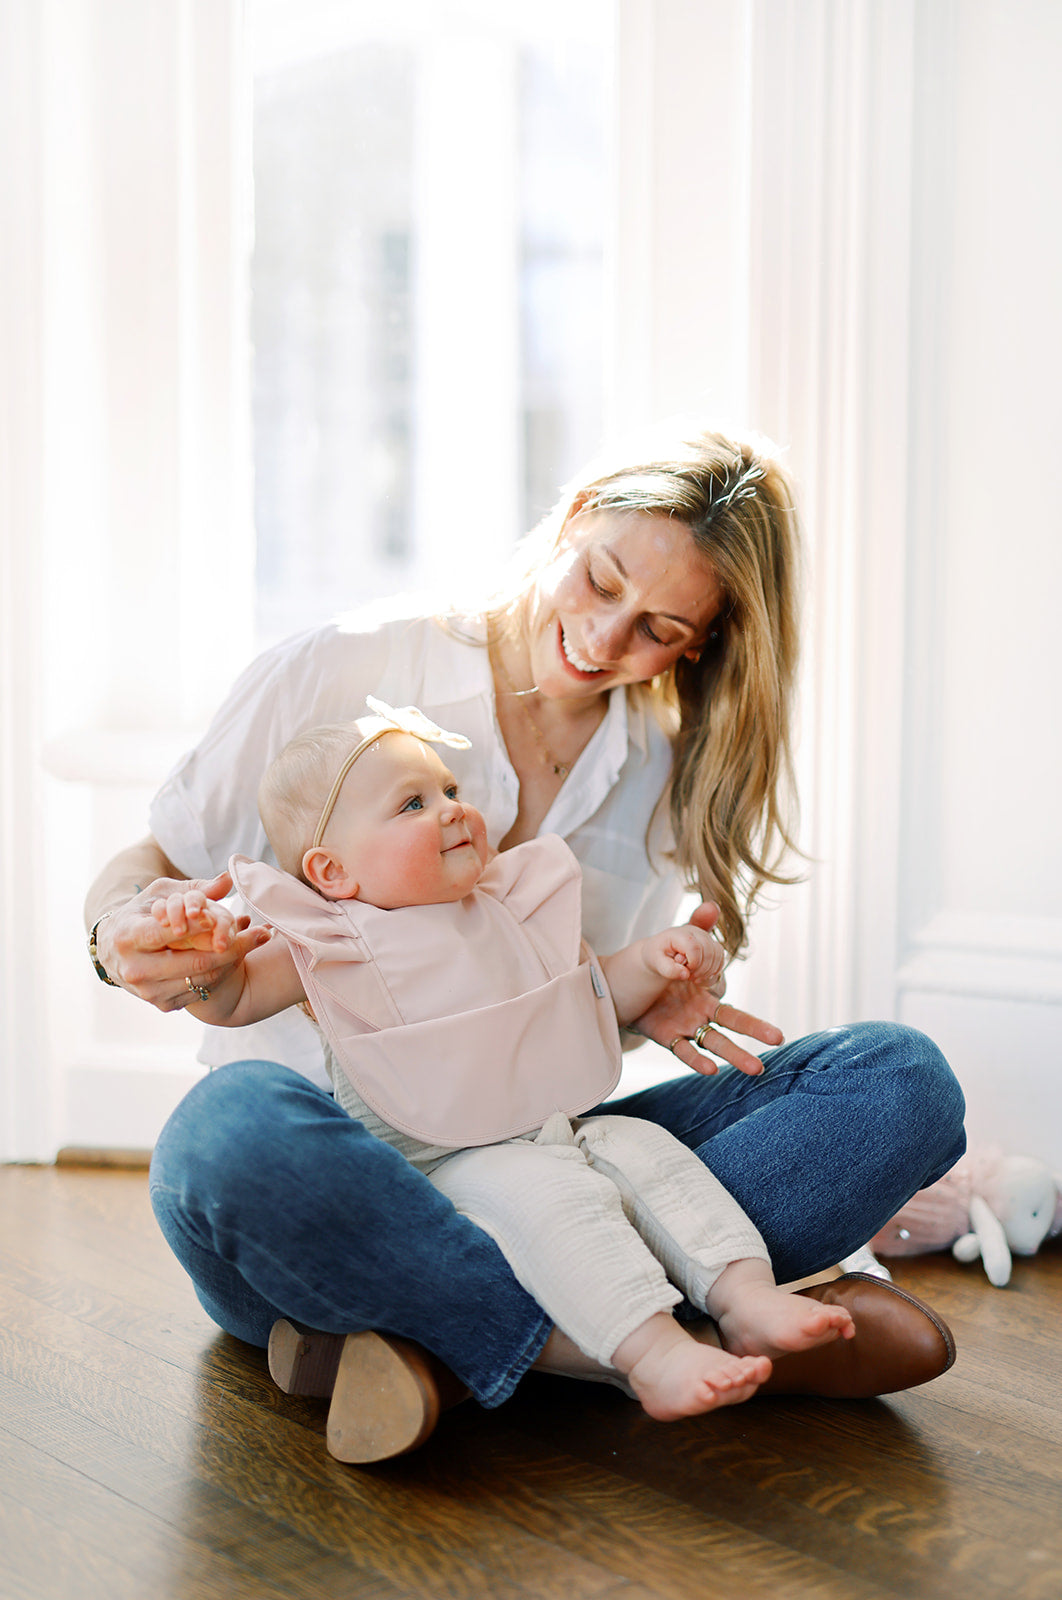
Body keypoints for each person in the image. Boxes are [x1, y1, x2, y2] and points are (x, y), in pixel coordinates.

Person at [84, 420, 966, 1462]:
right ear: (578, 516)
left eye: (658, 629)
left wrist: (649, 993)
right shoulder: (346, 667)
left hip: (545, 1161)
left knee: (900, 1081)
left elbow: (555, 1011)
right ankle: (627, 1342)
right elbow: (158, 864)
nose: (604, 641)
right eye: (600, 582)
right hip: (327, 1180)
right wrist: (126, 933)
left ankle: (443, 1342)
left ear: (698, 644)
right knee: (222, 1138)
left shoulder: (656, 773)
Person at [151, 700, 858, 1435]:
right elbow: (231, 998)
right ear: (332, 872)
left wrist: (657, 960)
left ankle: (745, 1300)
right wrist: (203, 957)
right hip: (441, 1165)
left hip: (558, 1129)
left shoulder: (510, 906)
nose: (453, 810)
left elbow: (588, 996)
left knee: (654, 1156)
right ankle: (652, 1354)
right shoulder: (333, 940)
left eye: (451, 791)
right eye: (413, 804)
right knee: (555, 1200)